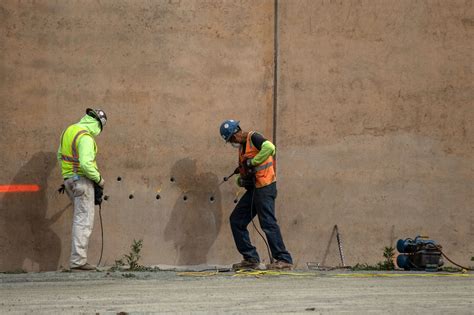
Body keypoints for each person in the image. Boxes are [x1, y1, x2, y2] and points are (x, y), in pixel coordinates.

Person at [219, 119, 293, 270]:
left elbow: (270, 147)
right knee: (237, 220)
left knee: (267, 222)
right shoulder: (242, 148)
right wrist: (242, 180)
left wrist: (253, 162)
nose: (232, 142)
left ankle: (284, 259)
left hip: (266, 187)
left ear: (237, 132)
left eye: (232, 138)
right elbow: (246, 170)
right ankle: (251, 258)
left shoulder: (254, 137)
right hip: (255, 189)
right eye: (230, 141)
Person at [57, 108, 107, 271]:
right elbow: (86, 164)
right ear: (98, 125)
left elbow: (60, 155)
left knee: (79, 217)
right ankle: (78, 261)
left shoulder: (69, 131)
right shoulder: (85, 137)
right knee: (83, 220)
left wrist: (68, 175)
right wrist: (99, 180)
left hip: (69, 181)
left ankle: (77, 259)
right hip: (82, 181)